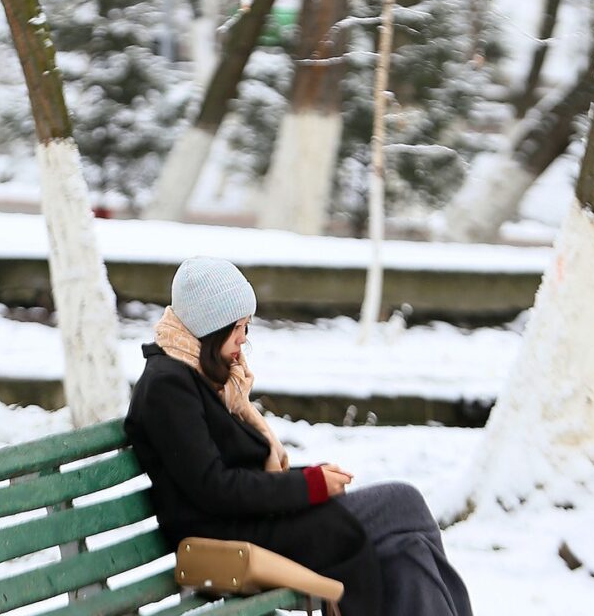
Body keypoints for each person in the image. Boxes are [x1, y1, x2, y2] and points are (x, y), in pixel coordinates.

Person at [125, 256, 474, 616]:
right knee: (402, 504)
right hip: (223, 537)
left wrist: (308, 478)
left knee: (407, 548)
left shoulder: (195, 373)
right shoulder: (168, 386)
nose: (244, 338)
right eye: (237, 327)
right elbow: (215, 488)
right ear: (210, 327)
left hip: (246, 520)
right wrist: (309, 484)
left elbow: (229, 477)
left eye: (246, 326)